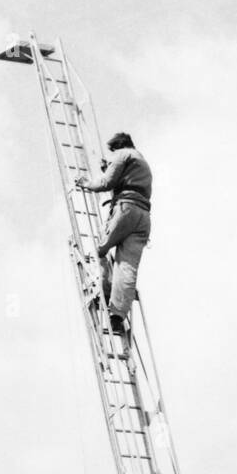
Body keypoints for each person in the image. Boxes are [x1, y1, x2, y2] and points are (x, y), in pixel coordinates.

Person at [75, 132, 152, 333]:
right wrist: (109, 168)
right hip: (143, 218)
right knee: (127, 267)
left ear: (118, 147)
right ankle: (117, 315)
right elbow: (123, 177)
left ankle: (105, 284)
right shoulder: (141, 161)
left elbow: (106, 183)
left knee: (100, 249)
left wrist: (86, 183)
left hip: (125, 211)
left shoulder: (122, 154)